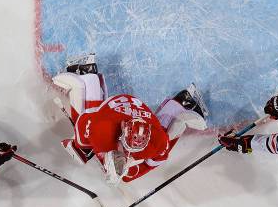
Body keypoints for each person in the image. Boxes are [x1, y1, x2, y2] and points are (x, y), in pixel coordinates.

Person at [51, 54, 207, 184]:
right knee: (88, 125)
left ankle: (185, 103)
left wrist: (129, 170)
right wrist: (79, 146)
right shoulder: (103, 128)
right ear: (122, 130)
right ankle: (86, 74)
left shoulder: (157, 142)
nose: (127, 153)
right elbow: (83, 121)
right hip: (115, 107)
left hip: (141, 113)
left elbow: (154, 162)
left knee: (129, 172)